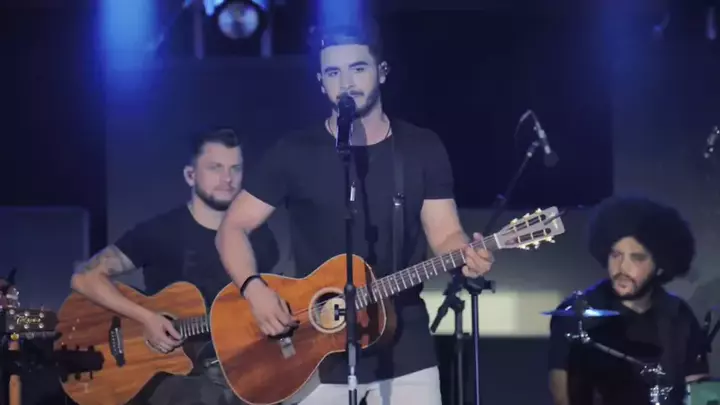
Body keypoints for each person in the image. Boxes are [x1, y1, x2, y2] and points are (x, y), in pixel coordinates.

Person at [215, 20, 495, 405]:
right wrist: (254, 289)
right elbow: (231, 228)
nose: (345, 82)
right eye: (333, 73)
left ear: (382, 72)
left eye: (358, 68)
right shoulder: (294, 152)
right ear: (321, 83)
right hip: (311, 347)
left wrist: (467, 256)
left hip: (405, 346)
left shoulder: (420, 148)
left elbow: (445, 233)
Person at [71, 128, 279, 405]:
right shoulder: (160, 231)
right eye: (215, 168)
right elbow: (84, 278)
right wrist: (147, 318)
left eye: (235, 168)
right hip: (169, 374)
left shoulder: (261, 238)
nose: (227, 179)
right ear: (190, 175)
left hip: (235, 368)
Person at [547, 196, 710, 405]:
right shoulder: (575, 314)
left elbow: (697, 389)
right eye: (616, 255)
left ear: (660, 265)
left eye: (637, 258)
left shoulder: (679, 315)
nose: (622, 268)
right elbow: (562, 397)